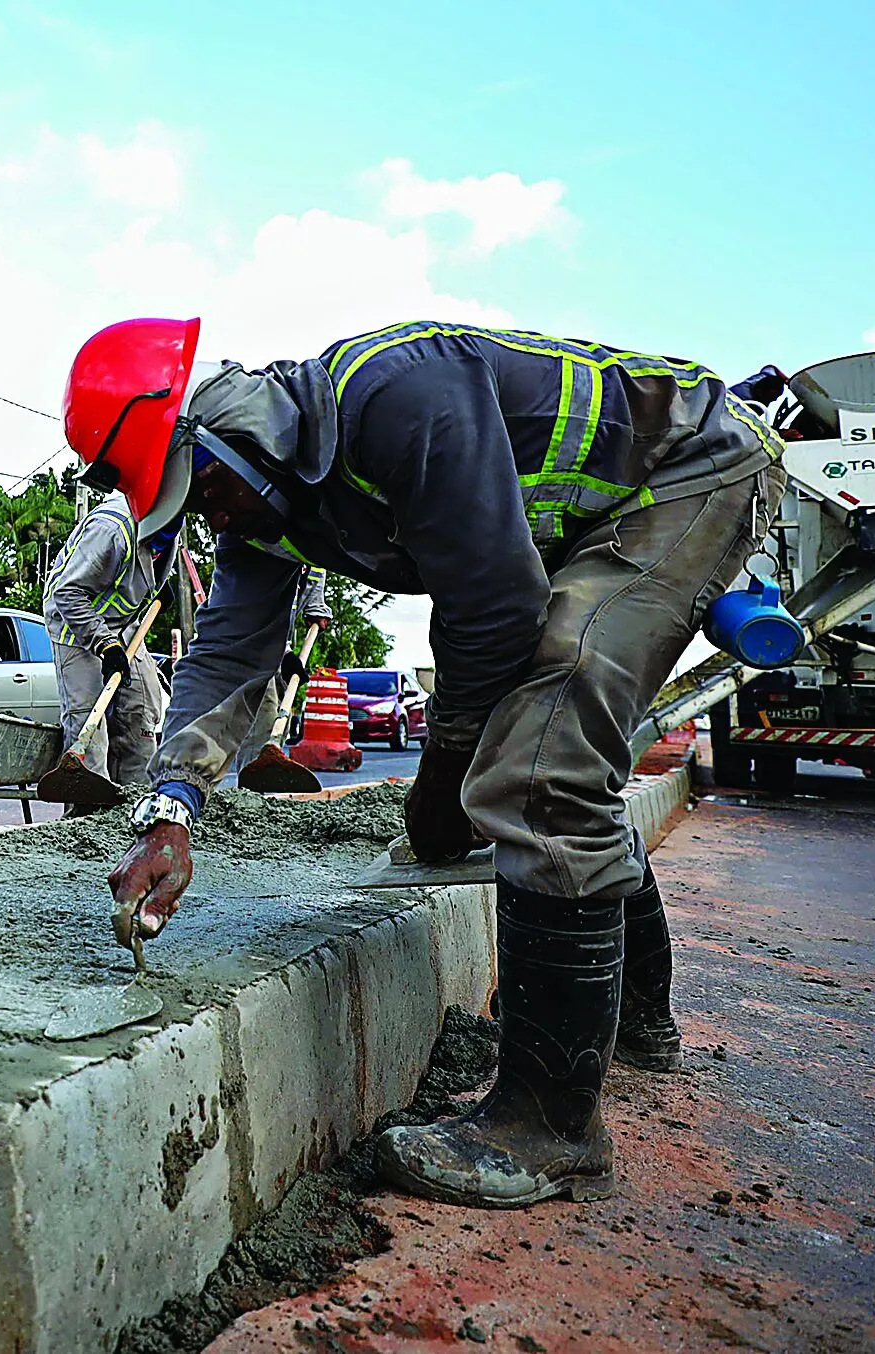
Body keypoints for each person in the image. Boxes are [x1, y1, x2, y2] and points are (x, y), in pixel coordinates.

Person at [65, 317, 783, 1208]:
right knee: (541, 764)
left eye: (201, 492)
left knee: (541, 763)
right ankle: (635, 1025)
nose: (209, 520)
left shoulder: (399, 393)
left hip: (690, 474)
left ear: (232, 436)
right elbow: (225, 660)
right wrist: (167, 812)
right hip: (591, 520)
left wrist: (442, 775)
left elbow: (493, 609)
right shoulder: (262, 510)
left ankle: (550, 1129)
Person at [42, 491, 171, 787]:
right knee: (89, 725)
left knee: (143, 709)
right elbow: (67, 593)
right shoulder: (110, 530)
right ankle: (86, 812)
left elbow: (143, 566)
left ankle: (134, 800)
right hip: (74, 624)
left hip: (124, 625)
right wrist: (105, 644)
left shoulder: (172, 521)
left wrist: (155, 584)